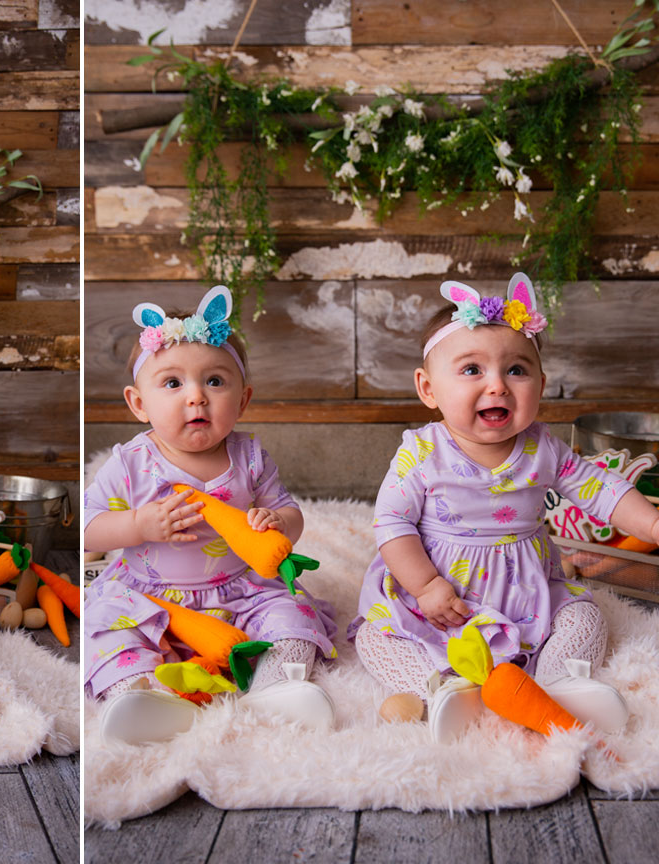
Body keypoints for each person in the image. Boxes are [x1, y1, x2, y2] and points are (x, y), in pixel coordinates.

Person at [350, 273, 659, 743]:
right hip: (444, 599)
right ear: (428, 388)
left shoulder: (543, 448)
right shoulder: (421, 452)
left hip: (527, 593)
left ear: (541, 382)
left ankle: (560, 681)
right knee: (378, 637)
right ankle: (439, 688)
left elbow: (598, 487)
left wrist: (651, 522)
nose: (497, 385)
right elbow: (391, 521)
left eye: (516, 370)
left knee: (584, 616)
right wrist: (426, 585)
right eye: (472, 370)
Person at [84, 286, 338, 745]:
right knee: (107, 634)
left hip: (242, 589)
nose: (196, 397)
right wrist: (138, 524)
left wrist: (277, 522)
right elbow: (88, 528)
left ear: (242, 401)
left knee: (294, 613)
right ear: (138, 403)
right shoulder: (129, 464)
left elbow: (291, 512)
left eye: (215, 382)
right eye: (172, 383)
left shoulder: (250, 458)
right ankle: (142, 695)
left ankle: (278, 685)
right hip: (151, 596)